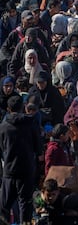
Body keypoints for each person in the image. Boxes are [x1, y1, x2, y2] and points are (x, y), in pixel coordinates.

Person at [0, 95, 41, 223]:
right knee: (25, 204)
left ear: (8, 109)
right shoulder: (31, 124)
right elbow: (38, 148)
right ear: (23, 107)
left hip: (9, 170)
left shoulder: (3, 127)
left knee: (4, 205)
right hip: (26, 169)